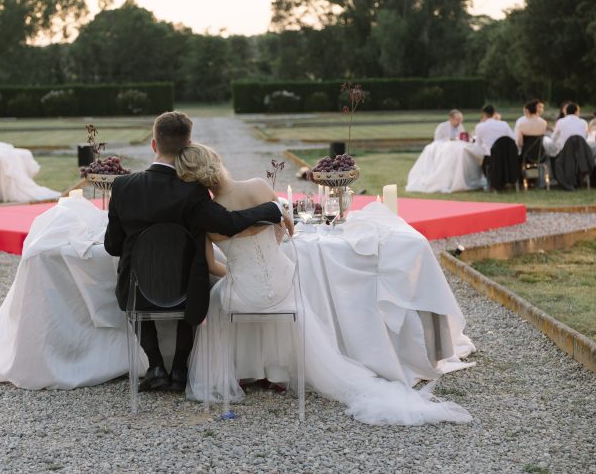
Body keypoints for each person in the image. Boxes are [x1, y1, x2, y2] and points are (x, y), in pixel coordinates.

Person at [176, 143, 473, 425]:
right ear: (218, 161)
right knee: (286, 286)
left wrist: (238, 273)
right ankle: (277, 372)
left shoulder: (206, 217)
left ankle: (242, 371)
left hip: (243, 293)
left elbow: (212, 265)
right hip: (281, 284)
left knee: (218, 298)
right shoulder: (257, 186)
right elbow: (285, 230)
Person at [104, 111, 289, 393]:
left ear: (154, 144)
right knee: (192, 273)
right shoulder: (192, 191)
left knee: (133, 276)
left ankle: (155, 365)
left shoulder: (122, 186)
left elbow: (112, 246)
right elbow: (228, 224)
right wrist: (274, 207)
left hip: (138, 291)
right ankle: (180, 367)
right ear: (188, 146)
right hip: (185, 291)